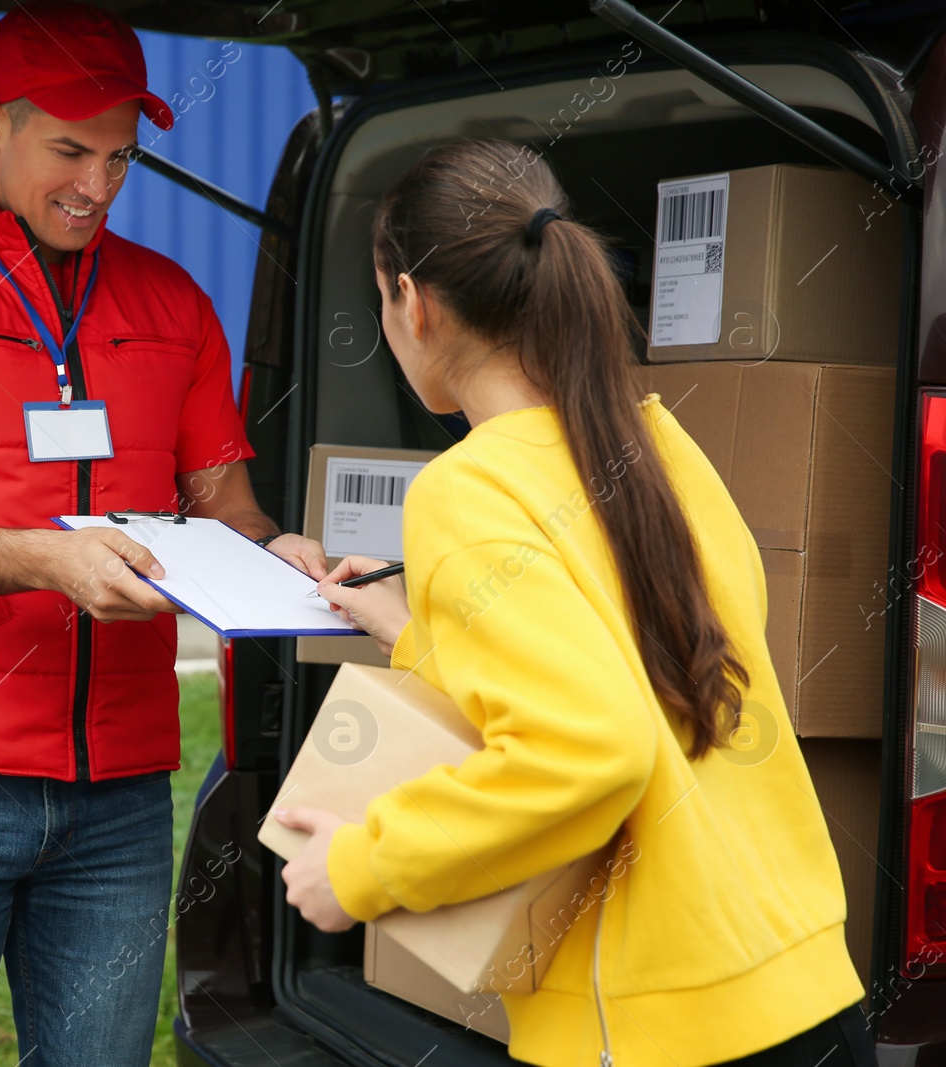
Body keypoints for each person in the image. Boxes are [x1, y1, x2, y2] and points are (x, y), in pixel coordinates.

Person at [0, 4, 325, 1064]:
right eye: (69, 150)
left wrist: (283, 554)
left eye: (120, 156)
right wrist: (45, 555)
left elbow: (230, 512)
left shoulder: (170, 300)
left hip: (118, 800)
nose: (97, 185)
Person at [272, 139, 875, 1067]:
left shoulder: (465, 491)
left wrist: (360, 867)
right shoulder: (655, 442)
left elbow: (592, 746)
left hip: (657, 1034)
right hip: (803, 994)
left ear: (412, 303)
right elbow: (656, 673)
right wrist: (419, 630)